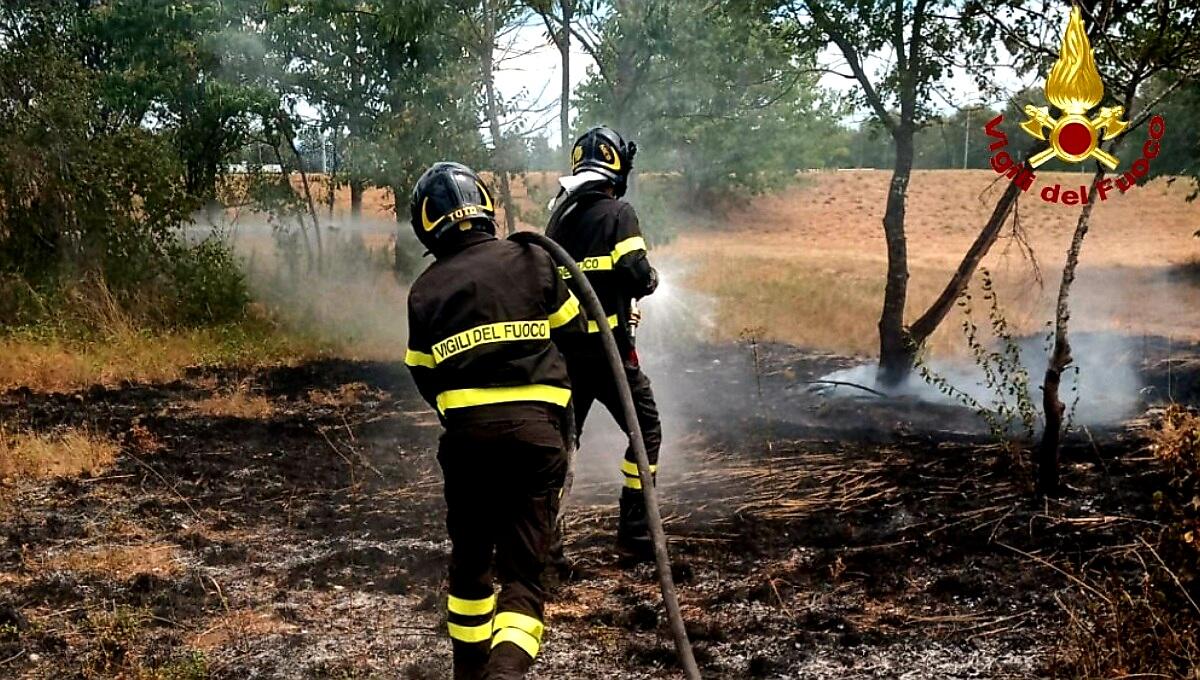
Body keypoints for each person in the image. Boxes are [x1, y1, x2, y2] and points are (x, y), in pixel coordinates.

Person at [404, 162, 585, 680]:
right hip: (537, 439)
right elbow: (577, 334)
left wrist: (463, 411)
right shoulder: (533, 260)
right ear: (485, 207)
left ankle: (469, 674)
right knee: (523, 579)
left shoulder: (425, 290)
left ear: (427, 225)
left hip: (468, 445)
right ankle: (503, 674)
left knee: (470, 569)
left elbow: (423, 373)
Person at [546, 126, 662, 559]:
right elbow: (635, 271)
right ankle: (635, 534)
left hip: (565, 358)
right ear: (618, 169)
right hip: (610, 356)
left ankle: (546, 544)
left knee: (561, 446)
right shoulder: (619, 214)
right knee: (645, 430)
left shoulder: (559, 221)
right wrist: (650, 280)